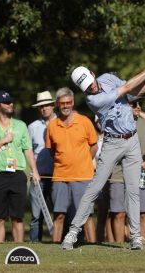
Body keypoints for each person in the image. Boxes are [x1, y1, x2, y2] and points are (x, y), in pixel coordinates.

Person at [61, 56, 145, 250]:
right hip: (112, 144)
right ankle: (73, 232)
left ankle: (135, 237)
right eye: (85, 87)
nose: (90, 88)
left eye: (90, 83)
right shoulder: (93, 100)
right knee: (95, 187)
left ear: (93, 74)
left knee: (133, 189)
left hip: (132, 141)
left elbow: (133, 93)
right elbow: (126, 89)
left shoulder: (108, 78)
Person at [0, 90, 40, 242]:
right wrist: (3, 140)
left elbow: (28, 149)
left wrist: (35, 171)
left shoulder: (20, 125)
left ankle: (18, 250)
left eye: (11, 102)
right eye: (6, 102)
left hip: (17, 175)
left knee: (17, 217)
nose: (10, 104)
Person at [46, 87, 97, 243]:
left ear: (73, 102)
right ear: (57, 104)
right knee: (59, 214)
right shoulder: (52, 125)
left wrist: (82, 160)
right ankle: (56, 244)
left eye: (68, 102)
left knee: (86, 214)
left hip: (82, 175)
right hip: (60, 176)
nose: (66, 106)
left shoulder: (84, 122)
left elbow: (93, 146)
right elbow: (51, 150)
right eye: (63, 103)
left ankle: (92, 246)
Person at [109, 95, 145, 242]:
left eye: (140, 103)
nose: (138, 107)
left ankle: (143, 246)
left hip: (141, 175)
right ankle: (119, 247)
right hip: (118, 174)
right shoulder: (114, 124)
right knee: (119, 213)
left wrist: (142, 158)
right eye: (134, 104)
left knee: (143, 214)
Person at [28, 91, 56, 242]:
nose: (44, 108)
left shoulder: (61, 123)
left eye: (47, 105)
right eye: (41, 106)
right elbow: (29, 151)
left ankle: (60, 242)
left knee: (59, 213)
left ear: (53, 106)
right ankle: (35, 245)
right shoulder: (32, 127)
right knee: (36, 215)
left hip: (58, 176)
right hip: (38, 176)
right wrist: (34, 171)